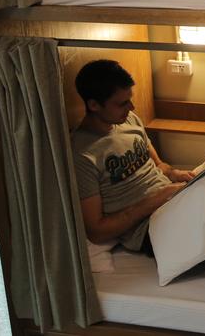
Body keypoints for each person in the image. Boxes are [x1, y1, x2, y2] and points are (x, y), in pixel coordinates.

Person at [71, 59, 193, 254]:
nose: (132, 107)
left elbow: (159, 166)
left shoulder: (129, 121)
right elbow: (97, 232)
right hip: (149, 227)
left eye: (129, 99)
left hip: (173, 202)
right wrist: (159, 197)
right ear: (94, 105)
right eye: (122, 103)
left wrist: (175, 174)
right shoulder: (82, 155)